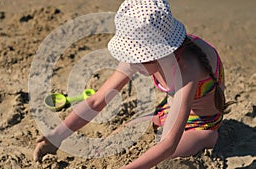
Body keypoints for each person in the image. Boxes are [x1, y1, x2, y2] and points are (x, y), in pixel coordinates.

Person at [33, 0, 230, 168]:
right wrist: (57, 136)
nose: (132, 63)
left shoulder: (188, 69)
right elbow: (97, 101)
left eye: (140, 57)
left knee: (166, 154)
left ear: (161, 52)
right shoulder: (140, 58)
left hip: (202, 123)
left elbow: (169, 144)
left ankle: (209, 138)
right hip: (169, 109)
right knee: (115, 140)